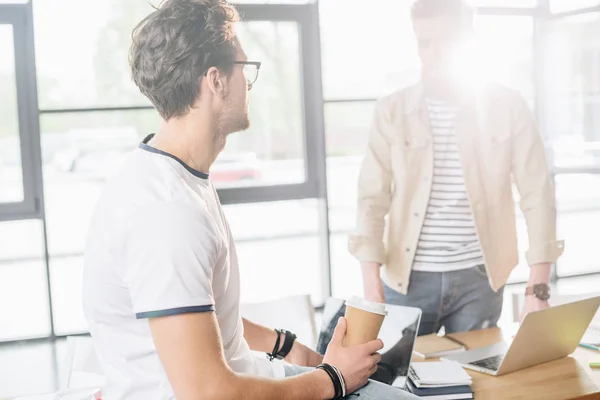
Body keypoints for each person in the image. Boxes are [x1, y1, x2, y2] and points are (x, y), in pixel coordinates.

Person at [82, 1, 417, 399]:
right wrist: (334, 378)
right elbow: (210, 393)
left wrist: (285, 344)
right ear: (216, 80)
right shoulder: (168, 213)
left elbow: (200, 313)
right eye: (245, 68)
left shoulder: (175, 178)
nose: (250, 84)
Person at [349, 0, 564, 336]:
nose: (433, 54)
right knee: (399, 385)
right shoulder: (392, 111)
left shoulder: (508, 106)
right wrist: (371, 287)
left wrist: (537, 290)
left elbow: (537, 194)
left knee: (477, 384)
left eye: (446, 41)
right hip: (405, 282)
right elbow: (370, 200)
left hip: (479, 281)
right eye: (425, 43)